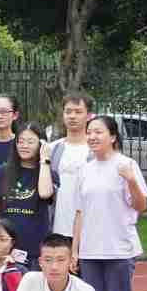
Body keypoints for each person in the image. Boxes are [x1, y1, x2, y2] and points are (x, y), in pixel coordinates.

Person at [72, 114, 147, 291]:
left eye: (98, 132)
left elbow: (141, 206)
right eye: (89, 132)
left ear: (113, 136)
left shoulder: (126, 165)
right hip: (90, 251)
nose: (92, 137)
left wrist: (131, 180)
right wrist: (75, 250)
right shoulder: (85, 169)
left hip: (119, 249)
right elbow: (80, 212)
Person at [0, 122, 53, 269]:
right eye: (20, 141)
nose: (24, 146)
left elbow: (45, 193)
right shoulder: (1, 172)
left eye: (30, 142)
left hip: (36, 250)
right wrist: (0, 239)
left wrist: (45, 160)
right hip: (6, 249)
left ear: (41, 144)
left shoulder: (46, 173)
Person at [46, 93, 92, 240]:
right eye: (68, 111)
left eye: (78, 112)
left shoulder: (95, 150)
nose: (72, 116)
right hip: (57, 225)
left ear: (89, 116)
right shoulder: (52, 149)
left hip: (88, 227)